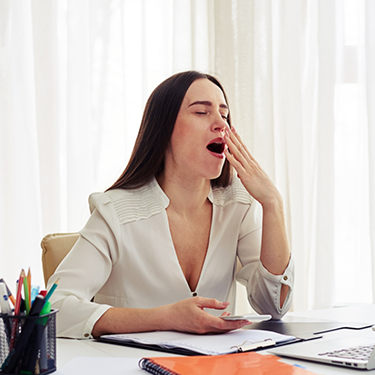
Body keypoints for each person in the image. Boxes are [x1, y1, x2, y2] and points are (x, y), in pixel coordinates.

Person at [48, 70, 294, 339]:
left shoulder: (237, 205)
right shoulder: (114, 212)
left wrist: (273, 204)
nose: (220, 124)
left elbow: (274, 306)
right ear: (164, 129)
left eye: (224, 115)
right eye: (201, 112)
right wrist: (165, 317)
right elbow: (55, 308)